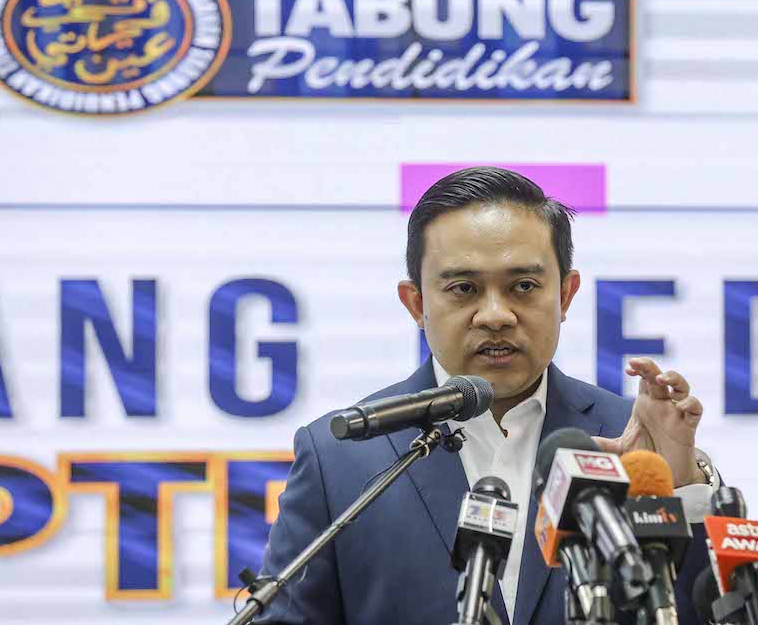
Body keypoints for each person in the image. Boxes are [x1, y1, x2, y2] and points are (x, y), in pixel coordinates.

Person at [257, 167, 720, 624]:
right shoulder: (341, 455)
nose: (496, 315)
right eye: (464, 288)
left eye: (523, 286)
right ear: (416, 303)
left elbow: (725, 614)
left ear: (565, 294)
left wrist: (680, 484)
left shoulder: (631, 439)